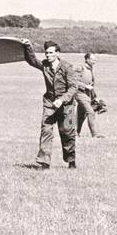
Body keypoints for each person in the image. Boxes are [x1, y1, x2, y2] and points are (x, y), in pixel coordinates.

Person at [21, 38, 80, 169]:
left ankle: (71, 160)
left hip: (67, 104)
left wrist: (62, 99)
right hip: (49, 102)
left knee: (67, 132)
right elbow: (31, 60)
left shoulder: (67, 67)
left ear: (57, 53)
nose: (48, 55)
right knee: (46, 129)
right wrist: (27, 46)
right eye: (46, 53)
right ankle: (44, 162)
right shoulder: (45, 65)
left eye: (50, 53)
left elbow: (73, 88)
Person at [74, 51, 101, 137]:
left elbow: (91, 85)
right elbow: (73, 81)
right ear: (87, 59)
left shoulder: (90, 69)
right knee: (91, 112)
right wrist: (85, 86)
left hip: (87, 95)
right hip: (80, 93)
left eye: (95, 60)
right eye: (92, 59)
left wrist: (94, 97)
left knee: (81, 116)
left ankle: (75, 133)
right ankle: (95, 134)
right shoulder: (80, 68)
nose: (94, 61)